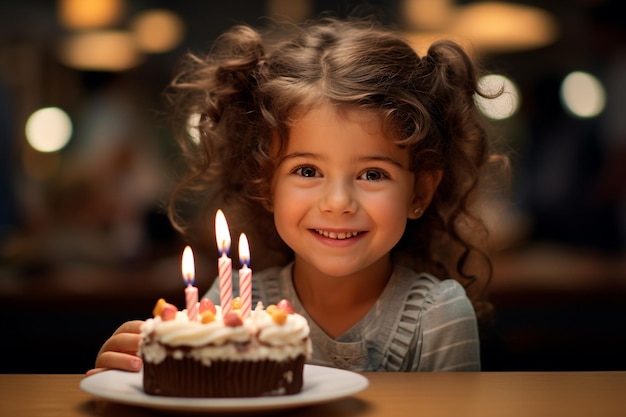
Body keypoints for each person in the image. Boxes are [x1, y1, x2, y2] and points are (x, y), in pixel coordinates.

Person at [87, 16, 508, 376]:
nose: (338, 201)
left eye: (372, 173)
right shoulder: (232, 305)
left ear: (421, 190)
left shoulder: (438, 319)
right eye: (307, 171)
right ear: (265, 183)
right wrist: (134, 375)